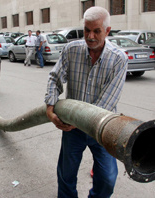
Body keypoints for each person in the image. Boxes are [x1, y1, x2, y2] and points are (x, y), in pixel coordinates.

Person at [44, 6, 128, 198]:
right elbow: (54, 78)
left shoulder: (118, 59)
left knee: (107, 179)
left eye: (96, 31)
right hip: (71, 129)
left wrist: (78, 119)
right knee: (66, 176)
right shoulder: (71, 50)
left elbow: (107, 101)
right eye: (86, 30)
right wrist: (50, 108)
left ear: (107, 31)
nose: (90, 36)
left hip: (104, 128)